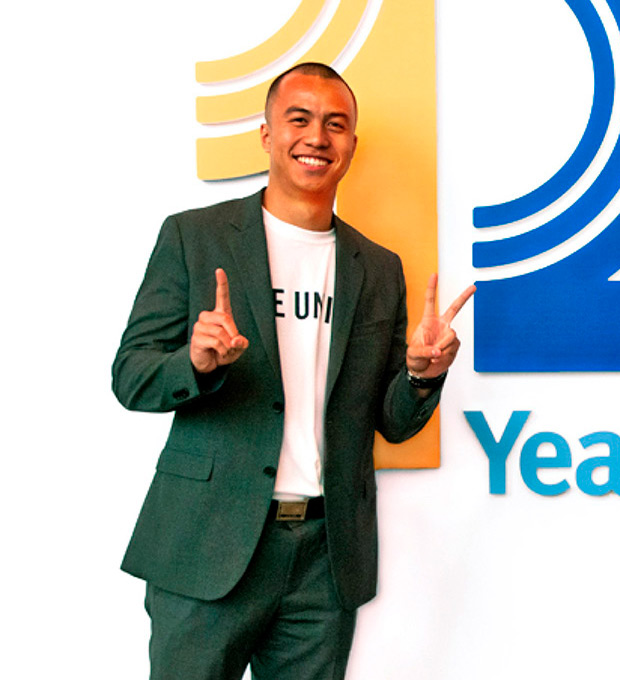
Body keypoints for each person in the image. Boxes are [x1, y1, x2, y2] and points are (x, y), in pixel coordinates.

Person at [112, 62, 475, 680]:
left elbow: (391, 423)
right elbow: (131, 375)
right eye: (299, 119)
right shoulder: (194, 238)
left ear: (351, 144)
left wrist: (421, 375)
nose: (317, 137)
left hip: (323, 560)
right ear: (266, 134)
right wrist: (194, 363)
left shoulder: (378, 268)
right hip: (207, 543)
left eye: (335, 124)